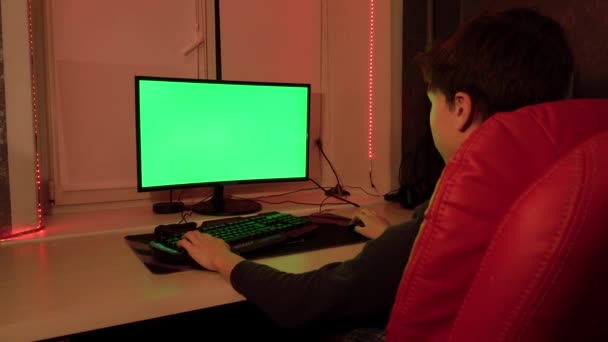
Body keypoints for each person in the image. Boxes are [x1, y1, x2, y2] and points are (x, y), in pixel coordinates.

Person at [177, 6, 574, 333]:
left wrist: (223, 259)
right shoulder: (553, 190)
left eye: (431, 102)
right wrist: (394, 239)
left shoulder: (460, 207)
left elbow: (304, 300)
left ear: (460, 107)